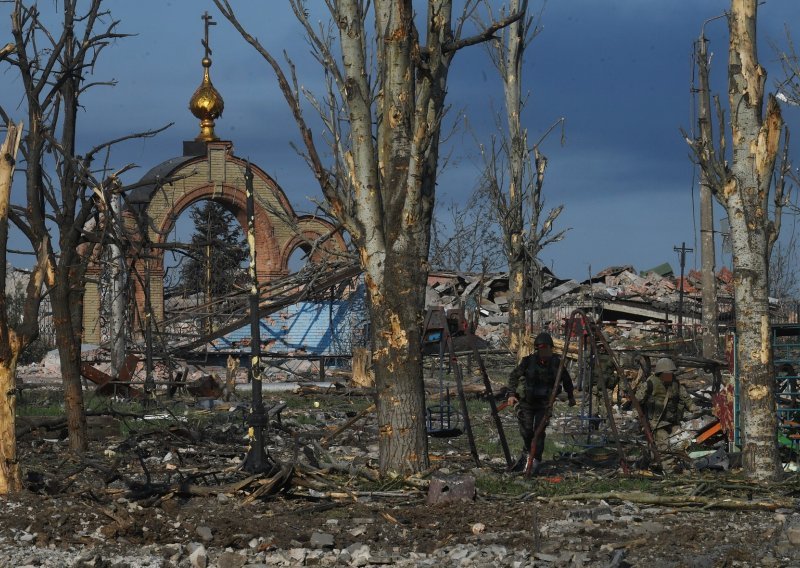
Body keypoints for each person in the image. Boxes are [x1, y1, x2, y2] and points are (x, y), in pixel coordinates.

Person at [507, 332, 576, 473]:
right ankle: (527, 453)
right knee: (527, 431)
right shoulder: (528, 361)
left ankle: (535, 459)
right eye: (541, 349)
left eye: (546, 349)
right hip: (527, 402)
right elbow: (514, 376)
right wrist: (512, 394)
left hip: (545, 404)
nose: (544, 353)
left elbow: (567, 380)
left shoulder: (557, 363)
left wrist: (571, 396)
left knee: (538, 432)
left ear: (551, 349)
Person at [634, 357, 697, 448]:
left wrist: (692, 407)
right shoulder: (650, 383)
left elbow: (684, 396)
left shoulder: (675, 382)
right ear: (660, 373)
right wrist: (639, 417)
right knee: (663, 442)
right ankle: (666, 461)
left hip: (672, 420)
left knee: (681, 439)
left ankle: (678, 458)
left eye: (671, 373)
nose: (670, 375)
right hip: (657, 423)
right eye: (667, 373)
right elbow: (637, 401)